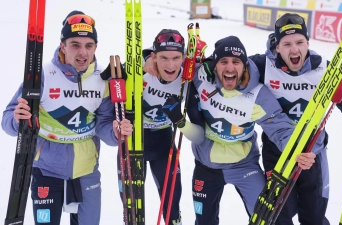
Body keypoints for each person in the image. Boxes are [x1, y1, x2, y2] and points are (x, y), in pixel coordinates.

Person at [245, 13, 342, 225]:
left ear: (308, 42)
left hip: (312, 155)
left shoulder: (325, 70)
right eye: (286, 44)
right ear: (277, 47)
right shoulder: (262, 66)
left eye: (299, 42)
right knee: (278, 216)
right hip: (278, 152)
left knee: (313, 217)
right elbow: (231, 70)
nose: (294, 50)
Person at [159, 36, 319, 225]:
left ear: (244, 66)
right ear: (214, 65)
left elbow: (280, 129)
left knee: (266, 219)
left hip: (244, 166)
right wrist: (149, 61)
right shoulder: (200, 78)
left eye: (236, 62)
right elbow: (171, 64)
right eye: (223, 62)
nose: (229, 68)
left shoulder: (258, 95)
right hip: (206, 167)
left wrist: (298, 150)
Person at [1, 10, 132, 225]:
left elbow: (104, 127)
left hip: (86, 169)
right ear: (63, 46)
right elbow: (8, 120)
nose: (82, 52)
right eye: (75, 45)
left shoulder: (103, 78)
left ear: (95, 48)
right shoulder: (43, 74)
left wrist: (116, 132)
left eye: (88, 45)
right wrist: (17, 119)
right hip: (46, 168)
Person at [101, 29, 186, 225]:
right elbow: (108, 77)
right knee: (131, 210)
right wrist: (142, 61)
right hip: (133, 142)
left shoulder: (188, 75)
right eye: (163, 58)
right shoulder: (138, 66)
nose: (171, 65)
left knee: (172, 205)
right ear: (154, 56)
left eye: (176, 58)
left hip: (164, 143)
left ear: (183, 57)